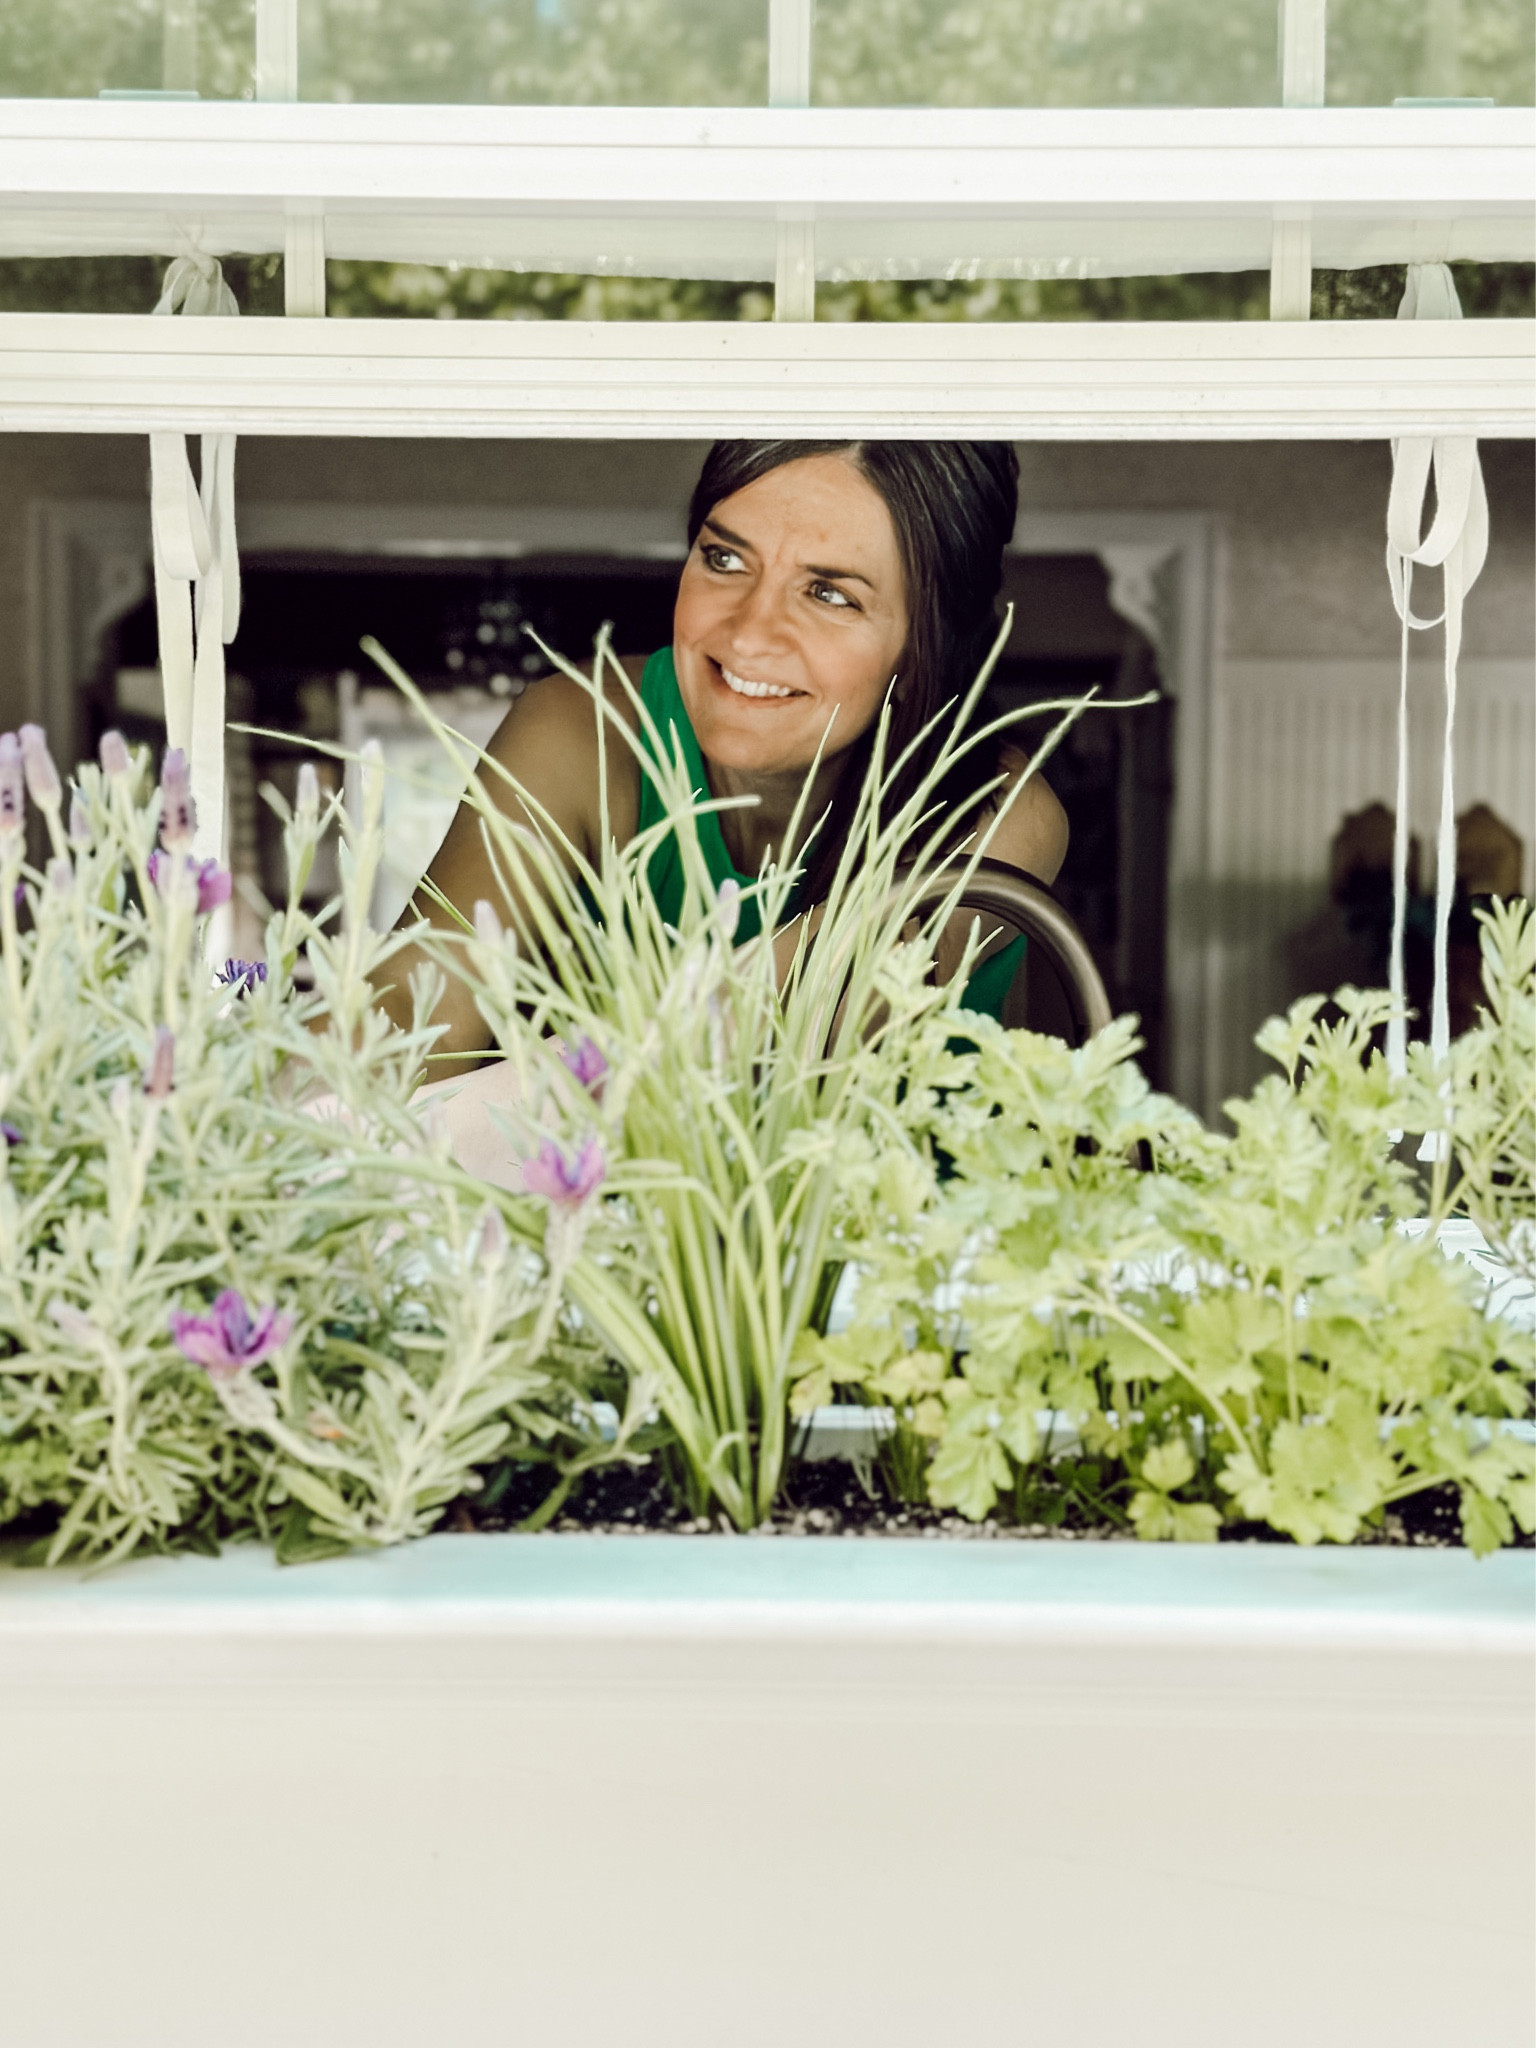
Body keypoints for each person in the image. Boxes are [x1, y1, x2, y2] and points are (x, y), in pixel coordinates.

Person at [380, 440, 1068, 1172]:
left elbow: (768, 1035)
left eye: (830, 593)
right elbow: (412, 1011)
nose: (746, 633)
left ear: (926, 643)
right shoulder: (582, 730)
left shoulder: (998, 815)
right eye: (724, 559)